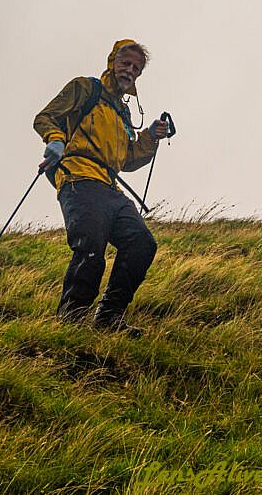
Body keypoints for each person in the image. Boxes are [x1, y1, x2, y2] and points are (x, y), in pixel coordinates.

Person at [34, 39, 169, 337]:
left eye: (136, 67)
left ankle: (109, 317)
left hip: (110, 187)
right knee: (91, 249)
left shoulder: (123, 114)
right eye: (125, 63)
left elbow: (128, 159)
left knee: (142, 244)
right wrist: (55, 140)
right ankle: (70, 324)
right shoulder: (86, 88)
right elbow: (45, 117)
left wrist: (150, 136)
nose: (129, 70)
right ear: (112, 61)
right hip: (78, 178)